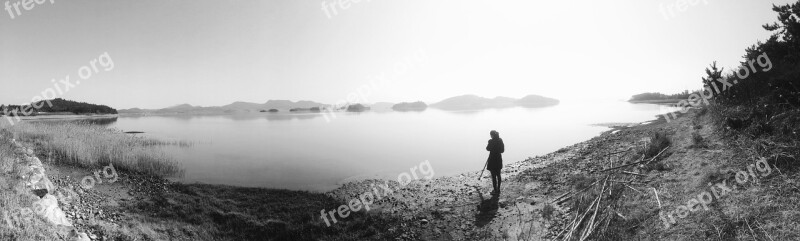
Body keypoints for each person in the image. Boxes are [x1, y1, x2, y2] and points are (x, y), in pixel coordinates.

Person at [486, 130, 504, 195]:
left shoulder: (491, 141)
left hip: (492, 159)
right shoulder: (500, 140)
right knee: (498, 175)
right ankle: (498, 189)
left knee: (493, 176)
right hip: (498, 159)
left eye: (490, 135)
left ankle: (495, 189)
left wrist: (491, 144)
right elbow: (502, 150)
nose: (490, 136)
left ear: (492, 135)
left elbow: (487, 148)